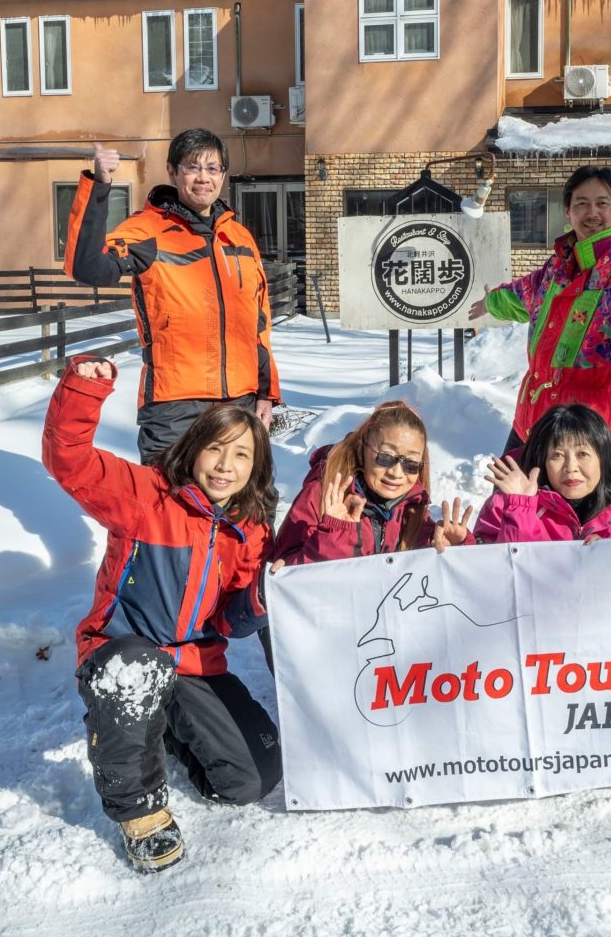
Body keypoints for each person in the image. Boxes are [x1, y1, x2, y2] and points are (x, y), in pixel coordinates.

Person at [43, 354, 282, 873]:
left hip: (193, 665)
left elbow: (229, 624)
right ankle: (141, 812)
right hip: (121, 654)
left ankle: (166, 725)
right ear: (194, 449)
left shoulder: (249, 528)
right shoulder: (145, 495)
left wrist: (259, 600)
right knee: (136, 667)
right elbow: (69, 461)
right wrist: (84, 391)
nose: (225, 465)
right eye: (215, 448)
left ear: (255, 467)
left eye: (241, 454)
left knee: (252, 779)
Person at [64, 128, 279, 464]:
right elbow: (87, 268)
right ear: (172, 171)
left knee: (245, 494)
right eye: (192, 167)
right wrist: (100, 186)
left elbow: (258, 322)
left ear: (223, 175)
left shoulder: (238, 237)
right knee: (166, 493)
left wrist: (266, 393)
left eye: (212, 168)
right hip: (174, 406)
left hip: (241, 402)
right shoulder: (147, 229)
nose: (203, 177)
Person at [469, 165, 611, 456]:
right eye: (582, 203)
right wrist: (491, 302)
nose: (592, 213)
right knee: (508, 487)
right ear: (568, 211)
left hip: (582, 430)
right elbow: (524, 293)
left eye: (602, 203)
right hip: (530, 420)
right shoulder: (560, 265)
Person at [269, 401, 475, 567]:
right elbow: (284, 570)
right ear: (362, 450)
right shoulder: (324, 495)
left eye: (411, 464)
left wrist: (455, 547)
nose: (396, 473)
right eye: (385, 457)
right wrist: (335, 537)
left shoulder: (412, 508)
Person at [474, 402, 611, 544]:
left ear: (604, 459)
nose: (571, 467)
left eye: (582, 454)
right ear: (542, 460)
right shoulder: (505, 505)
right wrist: (520, 509)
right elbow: (493, 570)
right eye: (557, 455)